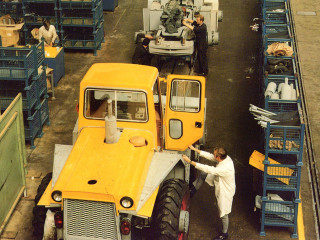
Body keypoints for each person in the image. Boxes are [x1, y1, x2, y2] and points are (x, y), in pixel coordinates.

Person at [182, 145, 236, 240]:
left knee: (223, 213)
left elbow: (208, 169)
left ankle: (224, 234)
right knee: (203, 174)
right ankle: (192, 191)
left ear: (218, 157)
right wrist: (194, 149)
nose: (213, 155)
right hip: (219, 179)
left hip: (225, 190)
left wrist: (190, 161)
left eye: (215, 155)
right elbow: (210, 156)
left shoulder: (225, 168)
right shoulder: (226, 158)